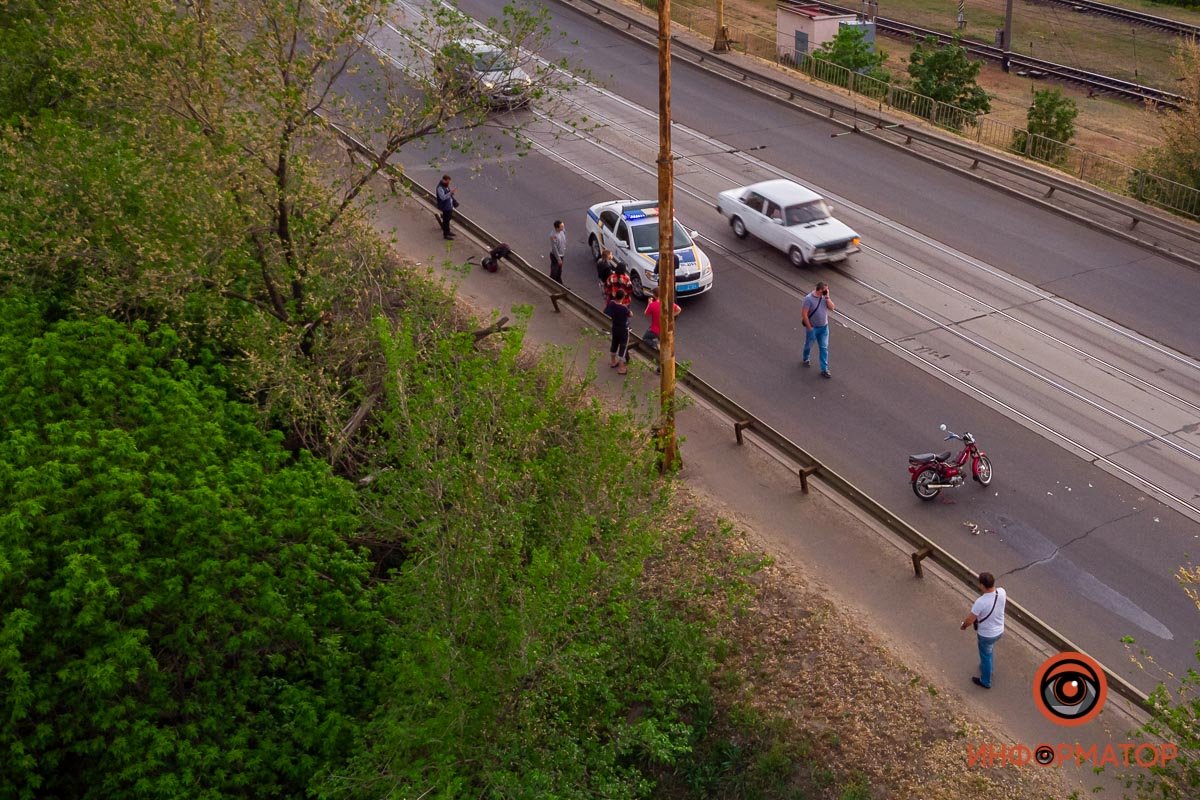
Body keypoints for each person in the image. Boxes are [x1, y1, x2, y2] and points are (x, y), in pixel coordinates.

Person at [960, 572, 1007, 689]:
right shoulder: (1002, 592)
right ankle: (989, 669)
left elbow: (970, 620)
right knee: (989, 651)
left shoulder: (980, 602)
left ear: (982, 585)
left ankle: (985, 681)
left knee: (985, 656)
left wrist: (963, 626)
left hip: (986, 634)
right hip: (999, 630)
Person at [801, 280, 834, 378]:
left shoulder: (824, 298)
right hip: (813, 328)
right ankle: (806, 358)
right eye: (825, 290)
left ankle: (824, 369)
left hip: (824, 327)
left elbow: (832, 308)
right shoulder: (808, 299)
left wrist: (827, 297)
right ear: (819, 290)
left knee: (824, 348)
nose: (826, 292)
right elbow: (804, 314)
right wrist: (809, 327)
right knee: (809, 345)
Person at [644, 285, 681, 352]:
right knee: (663, 340)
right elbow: (679, 309)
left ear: (654, 295)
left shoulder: (652, 305)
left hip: (655, 329)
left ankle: (656, 345)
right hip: (666, 328)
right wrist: (670, 316)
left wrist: (649, 303)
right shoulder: (668, 303)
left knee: (645, 338)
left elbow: (646, 314)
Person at [605, 298, 632, 375]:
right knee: (623, 347)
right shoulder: (623, 308)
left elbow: (606, 312)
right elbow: (630, 314)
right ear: (623, 297)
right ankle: (621, 368)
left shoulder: (612, 303)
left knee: (614, 344)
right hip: (623, 330)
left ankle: (613, 362)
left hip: (615, 327)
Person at [435, 175, 456, 240]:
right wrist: (450, 193)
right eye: (447, 181)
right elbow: (443, 197)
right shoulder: (440, 188)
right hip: (445, 206)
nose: (448, 183)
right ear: (444, 180)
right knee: (446, 220)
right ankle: (446, 234)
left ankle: (448, 231)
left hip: (448, 205)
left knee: (448, 219)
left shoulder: (445, 186)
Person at [549, 220, 567, 284]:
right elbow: (554, 248)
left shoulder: (562, 231)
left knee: (559, 271)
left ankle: (559, 283)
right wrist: (558, 259)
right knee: (554, 271)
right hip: (555, 256)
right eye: (561, 227)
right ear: (557, 228)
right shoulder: (553, 236)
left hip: (561, 254)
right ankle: (552, 283)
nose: (563, 228)